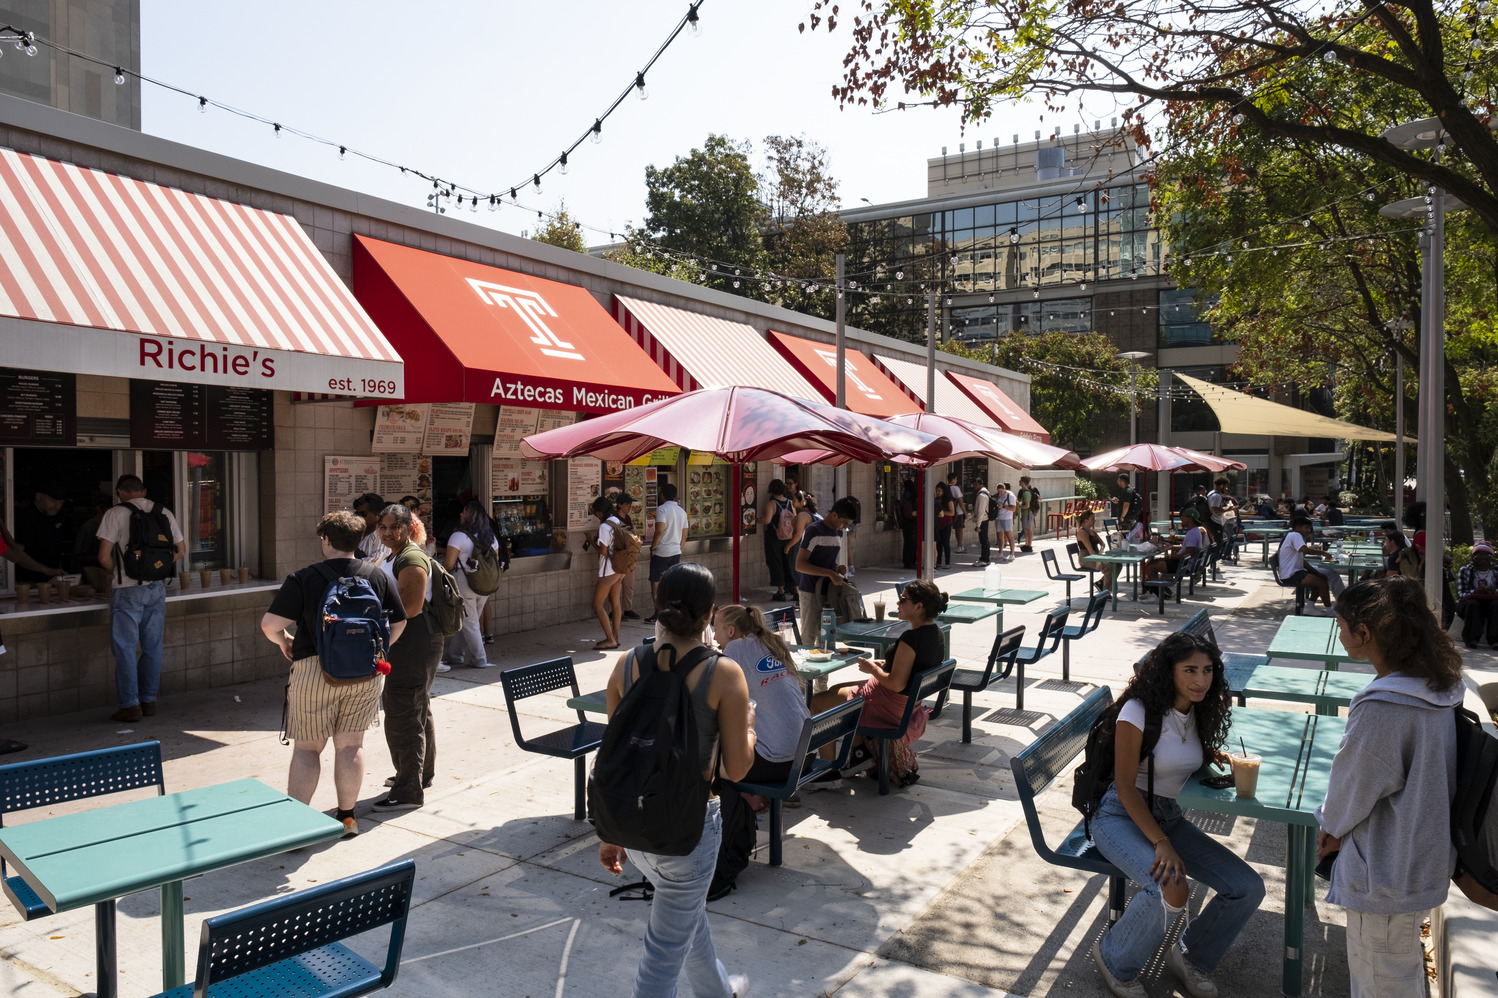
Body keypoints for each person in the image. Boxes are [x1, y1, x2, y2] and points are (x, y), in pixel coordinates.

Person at [597, 563, 754, 998]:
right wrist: (751, 733)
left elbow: (622, 758)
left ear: (657, 605)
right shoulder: (723, 674)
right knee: (663, 952)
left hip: (635, 828)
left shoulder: (627, 665)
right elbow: (737, 770)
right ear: (710, 614)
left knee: (686, 924)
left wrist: (610, 833)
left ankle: (719, 992)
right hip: (689, 830)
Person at [1089, 632, 1264, 998]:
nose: (1200, 680)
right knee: (1169, 887)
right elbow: (1124, 785)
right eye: (1189, 670)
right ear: (1168, 671)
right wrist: (1162, 843)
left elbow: (1176, 750)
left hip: (1167, 816)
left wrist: (1209, 756)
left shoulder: (1197, 710)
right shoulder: (1137, 712)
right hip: (1120, 816)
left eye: (1207, 670)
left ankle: (1190, 957)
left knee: (1246, 888)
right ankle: (1112, 957)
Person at [1316, 577, 1465, 998]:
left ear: (1364, 633)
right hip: (1418, 859)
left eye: (1342, 625)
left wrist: (1329, 828)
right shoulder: (1438, 685)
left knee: (1379, 980)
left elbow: (1348, 796)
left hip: (1384, 870)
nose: (1340, 634)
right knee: (1400, 971)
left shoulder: (1385, 707)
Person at [261, 511, 408, 837]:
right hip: (366, 673)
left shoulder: (304, 577)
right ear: (358, 541)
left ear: (326, 540)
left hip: (314, 670)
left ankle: (298, 827)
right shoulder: (377, 576)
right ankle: (347, 819)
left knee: (307, 749)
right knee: (350, 746)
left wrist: (284, 640)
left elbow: (269, 626)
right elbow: (398, 623)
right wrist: (376, 650)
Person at [811, 578, 947, 789]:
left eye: (903, 600)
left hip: (889, 706)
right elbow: (914, 666)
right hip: (908, 705)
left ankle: (829, 773)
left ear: (919, 607)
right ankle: (859, 753)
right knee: (836, 690)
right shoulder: (936, 633)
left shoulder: (911, 638)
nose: (898, 604)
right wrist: (888, 663)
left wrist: (872, 669)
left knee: (819, 703)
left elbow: (895, 683)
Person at [96, 474, 186, 723]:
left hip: (127, 589)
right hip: (156, 588)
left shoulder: (115, 513)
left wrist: (120, 572)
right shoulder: (164, 512)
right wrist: (154, 568)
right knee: (153, 646)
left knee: (125, 648)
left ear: (119, 492)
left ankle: (129, 705)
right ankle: (148, 700)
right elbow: (180, 551)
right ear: (143, 491)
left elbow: (104, 557)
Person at [373, 503, 445, 812]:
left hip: (412, 643)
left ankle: (408, 791)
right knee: (416, 707)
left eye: (395, 527)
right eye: (383, 527)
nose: (388, 532)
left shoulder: (411, 558)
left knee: (403, 714)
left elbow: (411, 609)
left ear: (408, 528)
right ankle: (418, 776)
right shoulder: (396, 555)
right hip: (412, 642)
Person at [714, 604, 809, 783]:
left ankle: (733, 807)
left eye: (716, 629)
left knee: (708, 756)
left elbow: (716, 698)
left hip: (776, 762)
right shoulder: (771, 642)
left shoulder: (735, 648)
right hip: (805, 757)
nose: (714, 636)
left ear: (731, 631)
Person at [440, 500, 499, 669]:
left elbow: (449, 564)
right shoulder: (491, 538)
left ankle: (480, 659)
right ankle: (455, 654)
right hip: (485, 583)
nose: (460, 514)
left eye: (464, 511)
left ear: (469, 516)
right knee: (467, 620)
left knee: (469, 622)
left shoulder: (458, 536)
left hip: (464, 581)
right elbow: (495, 560)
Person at [793, 497, 860, 638]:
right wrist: (830, 573)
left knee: (826, 637)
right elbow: (800, 565)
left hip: (829, 591)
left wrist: (836, 568)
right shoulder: (814, 530)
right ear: (834, 515)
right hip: (811, 591)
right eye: (844, 523)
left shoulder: (838, 532)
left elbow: (824, 559)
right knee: (809, 637)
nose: (844, 527)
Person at [648, 482, 689, 624]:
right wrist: (678, 548)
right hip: (675, 552)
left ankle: (658, 613)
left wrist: (653, 548)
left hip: (661, 552)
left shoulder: (662, 509)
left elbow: (659, 531)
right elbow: (684, 535)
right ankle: (671, 611)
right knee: (672, 582)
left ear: (662, 495)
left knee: (656, 583)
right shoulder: (682, 511)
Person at [1140, 509, 1207, 595]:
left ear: (1190, 519)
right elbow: (1187, 549)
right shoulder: (1194, 531)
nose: (1181, 518)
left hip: (1183, 566)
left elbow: (1188, 553)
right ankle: (1158, 590)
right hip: (1184, 563)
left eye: (1183, 517)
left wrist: (1169, 557)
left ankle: (1156, 593)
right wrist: (1172, 547)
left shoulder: (1192, 533)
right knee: (1152, 562)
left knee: (1151, 566)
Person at [13, 483, 70, 583]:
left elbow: (59, 547)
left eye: (61, 502)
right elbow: (15, 552)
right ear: (38, 497)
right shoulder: (24, 518)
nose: (56, 506)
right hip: (26, 579)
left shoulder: (60, 516)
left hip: (53, 577)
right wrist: (45, 570)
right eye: (52, 501)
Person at [589, 495, 624, 650]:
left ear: (599, 512)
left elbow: (603, 552)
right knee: (615, 602)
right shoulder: (616, 521)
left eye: (596, 512)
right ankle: (616, 636)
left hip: (608, 569)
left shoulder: (604, 527)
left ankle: (610, 639)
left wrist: (591, 542)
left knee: (597, 604)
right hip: (620, 568)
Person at [1278, 515, 1333, 613]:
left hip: (1295, 572)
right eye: (1306, 528)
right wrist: (1323, 553)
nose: (1309, 530)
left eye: (1309, 528)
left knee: (1321, 578)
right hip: (1291, 574)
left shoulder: (1293, 536)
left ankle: (1310, 607)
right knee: (1322, 583)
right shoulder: (1295, 535)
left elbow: (1302, 561)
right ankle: (1330, 611)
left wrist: (1316, 572)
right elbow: (1304, 550)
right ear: (1298, 528)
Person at [758, 479, 795, 602]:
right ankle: (796, 590)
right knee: (789, 564)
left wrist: (755, 519)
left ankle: (781, 591)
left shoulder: (772, 503)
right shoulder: (790, 502)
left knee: (776, 563)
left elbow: (767, 520)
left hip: (774, 538)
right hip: (788, 538)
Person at [1456, 541, 1498, 649]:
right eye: (1480, 557)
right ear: (1474, 558)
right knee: (1473, 604)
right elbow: (1461, 593)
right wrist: (1475, 592)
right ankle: (1472, 638)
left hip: (1491, 602)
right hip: (1471, 602)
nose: (1483, 560)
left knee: (1496, 605)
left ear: (1491, 558)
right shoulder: (1465, 570)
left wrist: (1494, 591)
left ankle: (1495, 640)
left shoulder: (1496, 571)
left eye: (1486, 557)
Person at [613, 494, 642, 622]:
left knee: (629, 583)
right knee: (616, 584)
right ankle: (613, 610)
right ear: (619, 504)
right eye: (627, 504)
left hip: (629, 554)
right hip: (618, 555)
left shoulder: (628, 518)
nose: (629, 507)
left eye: (630, 504)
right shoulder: (613, 519)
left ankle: (627, 608)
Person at [1076, 509, 1115, 592]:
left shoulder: (1092, 531)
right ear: (1086, 521)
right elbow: (1090, 550)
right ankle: (1106, 591)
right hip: (1086, 558)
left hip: (1095, 555)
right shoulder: (1082, 532)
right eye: (1093, 519)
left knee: (1117, 565)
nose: (1095, 520)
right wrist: (1098, 561)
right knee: (1109, 567)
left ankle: (1101, 583)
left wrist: (1101, 551)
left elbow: (1103, 544)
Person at [352, 492, 386, 562]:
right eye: (357, 513)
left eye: (363, 513)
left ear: (377, 513)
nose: (359, 517)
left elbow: (378, 562)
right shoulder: (357, 533)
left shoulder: (383, 535)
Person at [1204, 478, 1234, 546]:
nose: (1226, 488)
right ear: (1221, 486)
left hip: (1212, 522)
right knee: (1218, 545)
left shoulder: (1211, 493)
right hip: (1215, 523)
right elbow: (1215, 511)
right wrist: (1227, 509)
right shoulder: (1216, 496)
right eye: (1226, 486)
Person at [897, 477, 918, 569]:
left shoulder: (905, 495)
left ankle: (907, 561)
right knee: (912, 543)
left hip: (906, 522)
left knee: (907, 542)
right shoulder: (913, 495)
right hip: (912, 521)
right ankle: (911, 560)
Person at [995, 482, 1018, 561]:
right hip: (999, 517)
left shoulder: (1010, 495)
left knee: (1009, 536)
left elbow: (1013, 509)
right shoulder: (998, 495)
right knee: (999, 535)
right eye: (999, 491)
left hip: (1007, 518)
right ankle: (1000, 553)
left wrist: (1003, 506)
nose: (1000, 493)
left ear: (1005, 489)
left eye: (1001, 491)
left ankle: (1012, 554)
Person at [933, 482, 954, 569]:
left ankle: (947, 562)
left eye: (939, 491)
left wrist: (941, 512)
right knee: (938, 543)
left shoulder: (949, 501)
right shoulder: (935, 500)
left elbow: (952, 513)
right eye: (936, 491)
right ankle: (938, 561)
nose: (937, 492)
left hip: (946, 523)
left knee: (946, 542)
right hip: (938, 524)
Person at [972, 481, 992, 566]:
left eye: (976, 485)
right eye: (974, 484)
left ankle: (984, 559)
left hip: (983, 520)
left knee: (984, 540)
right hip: (984, 520)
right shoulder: (984, 493)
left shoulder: (982, 496)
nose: (974, 486)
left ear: (981, 485)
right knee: (985, 540)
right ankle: (985, 558)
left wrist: (978, 525)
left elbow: (981, 511)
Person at [1017, 475, 1039, 553]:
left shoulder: (1026, 492)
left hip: (1028, 513)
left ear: (1023, 482)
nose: (1019, 482)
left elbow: (1027, 505)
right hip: (1028, 513)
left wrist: (1019, 506)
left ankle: (1029, 546)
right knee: (1026, 530)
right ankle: (1027, 545)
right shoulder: (1024, 491)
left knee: (1028, 530)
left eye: (1020, 481)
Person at [947, 473, 966, 553]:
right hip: (958, 511)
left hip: (949, 511)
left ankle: (960, 545)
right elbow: (960, 502)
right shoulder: (956, 488)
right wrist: (965, 512)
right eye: (956, 479)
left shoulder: (946, 488)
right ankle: (960, 545)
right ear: (953, 479)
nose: (956, 480)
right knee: (959, 529)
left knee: (954, 529)